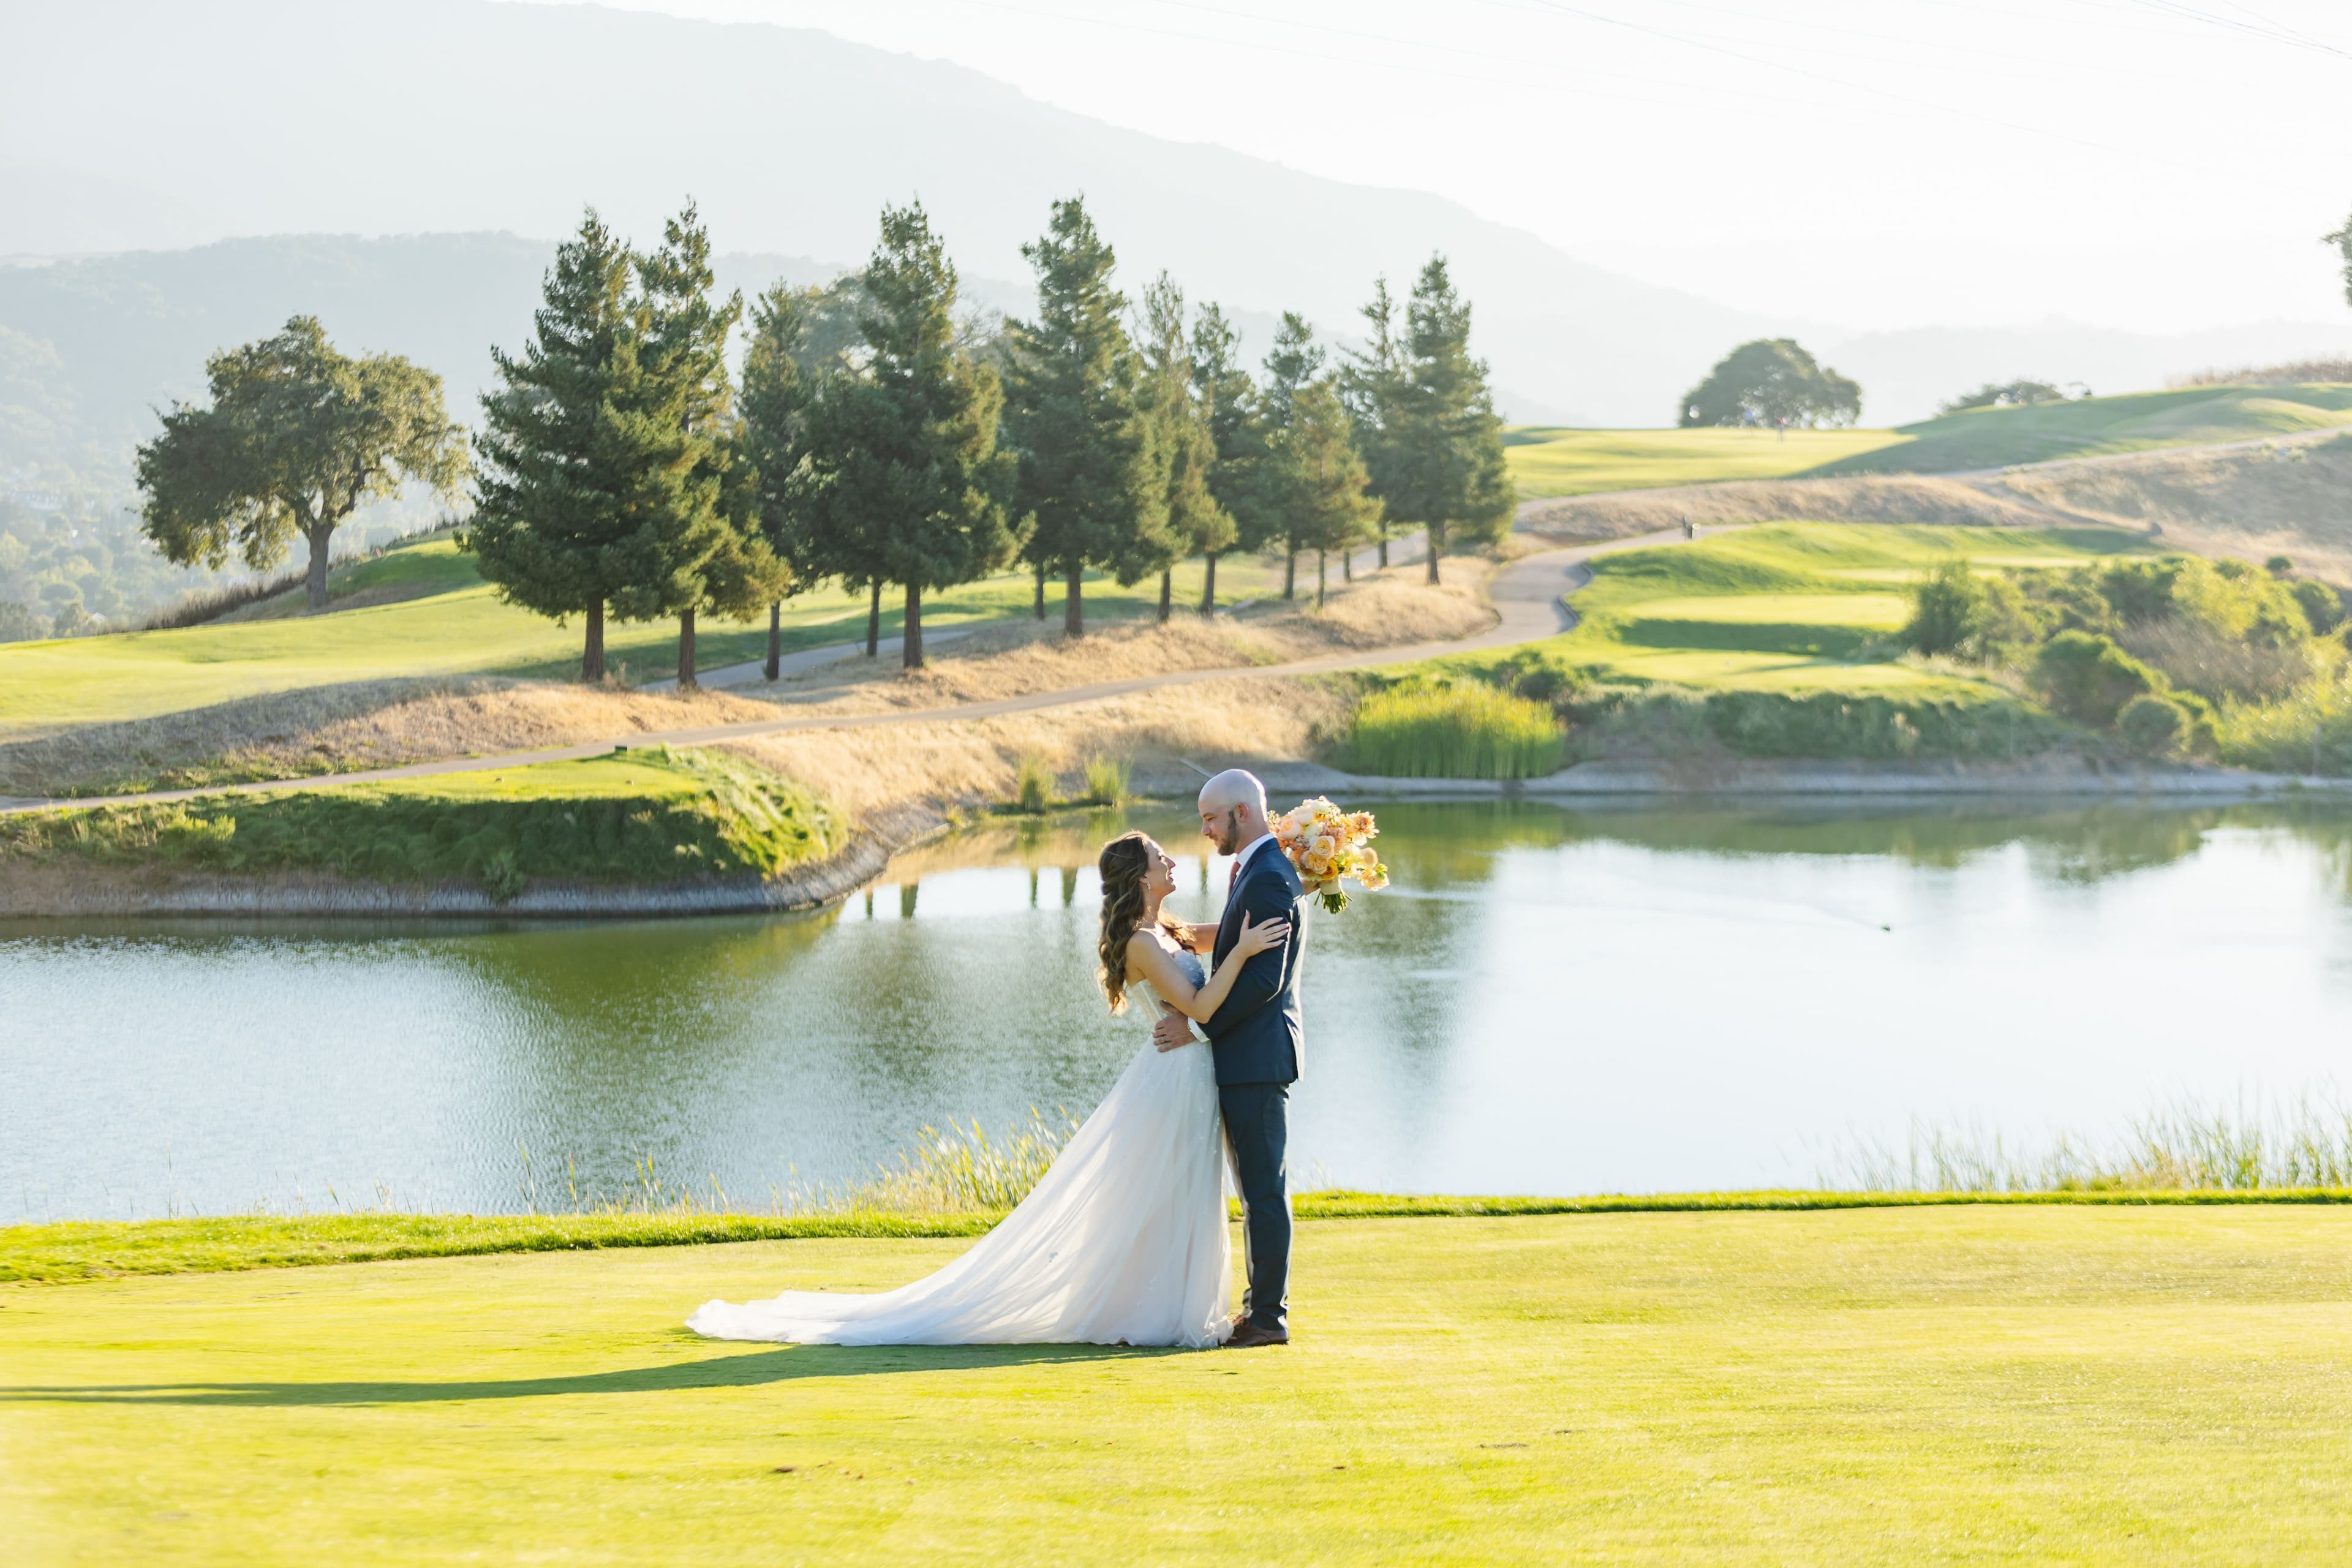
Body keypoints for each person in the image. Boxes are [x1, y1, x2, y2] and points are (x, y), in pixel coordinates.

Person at [684, 828, 1289, 1349]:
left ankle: (1156, 1305)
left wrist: (1299, 876)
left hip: (1187, 1077)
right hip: (1173, 1081)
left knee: (1173, 1193)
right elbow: (1206, 1005)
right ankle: (1148, 1312)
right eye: (1162, 858)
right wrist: (1241, 955)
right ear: (1142, 876)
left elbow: (1224, 931)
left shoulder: (1167, 930)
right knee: (1161, 1194)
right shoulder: (1140, 943)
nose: (1173, 863)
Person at [1152, 767, 1308, 1348]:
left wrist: (1196, 1024)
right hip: (1250, 1056)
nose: (1205, 831)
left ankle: (1268, 1317)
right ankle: (1259, 1309)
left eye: (1210, 819)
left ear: (1241, 814)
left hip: (1259, 1057)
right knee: (1255, 1189)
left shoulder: (1267, 875)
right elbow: (1234, 939)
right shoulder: (1260, 870)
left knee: (1263, 1191)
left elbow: (1263, 981)